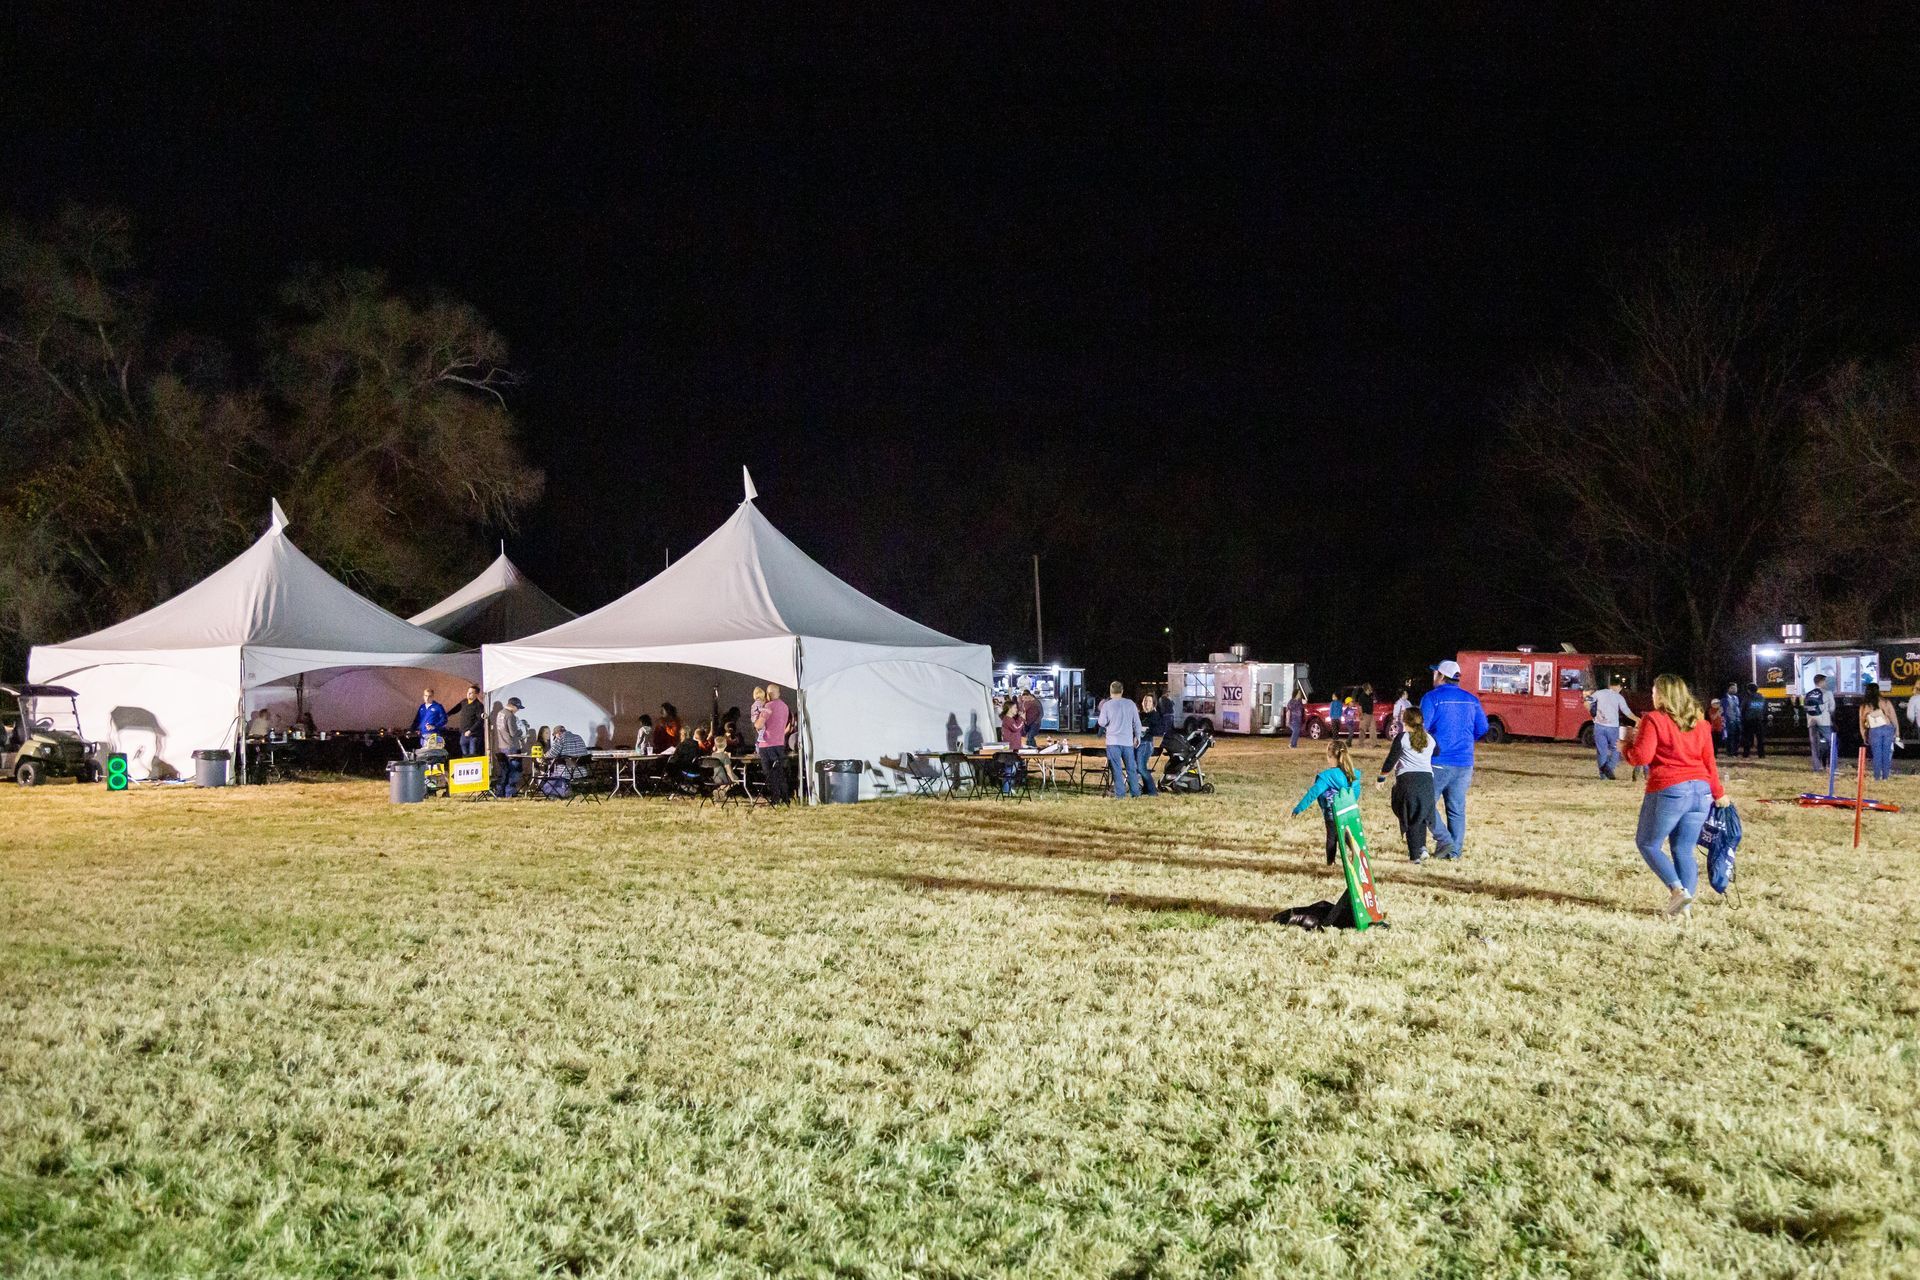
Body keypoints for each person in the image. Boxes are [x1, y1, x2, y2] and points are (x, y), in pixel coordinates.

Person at [1621, 674, 1728, 917]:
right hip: (1701, 792)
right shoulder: (1700, 723)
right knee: (1683, 849)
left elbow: (1642, 758)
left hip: (1670, 789)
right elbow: (1709, 761)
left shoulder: (1654, 719)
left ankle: (1677, 890)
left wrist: (1626, 747)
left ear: (1662, 694)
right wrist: (1718, 793)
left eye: (1653, 691)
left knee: (1648, 843)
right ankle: (1685, 910)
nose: (1651, 695)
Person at [1419, 659, 1488, 860]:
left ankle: (1444, 840)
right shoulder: (1471, 699)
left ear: (1441, 676)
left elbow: (1422, 728)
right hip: (1465, 762)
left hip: (1438, 760)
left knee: (1425, 804)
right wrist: (1466, 740)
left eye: (1435, 673)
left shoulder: (1431, 698)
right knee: (1457, 808)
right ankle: (1454, 852)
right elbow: (1482, 728)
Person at [1376, 706, 1436, 862]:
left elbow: (1391, 759)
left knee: (1408, 817)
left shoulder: (1402, 738)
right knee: (1421, 815)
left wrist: (1382, 777)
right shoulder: (1429, 739)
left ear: (1405, 721)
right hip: (1427, 782)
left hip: (1408, 782)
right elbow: (1437, 752)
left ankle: (1415, 855)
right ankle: (1421, 847)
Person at [1292, 739, 1361, 865]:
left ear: (1330, 757)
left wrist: (1298, 808)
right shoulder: (1353, 774)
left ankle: (1331, 862)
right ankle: (1356, 853)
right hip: (1349, 812)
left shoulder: (1327, 776)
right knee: (1346, 834)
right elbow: (1355, 794)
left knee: (1332, 837)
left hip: (1332, 813)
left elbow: (1313, 793)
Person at [1096, 680, 1144, 798]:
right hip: (1127, 741)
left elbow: (1101, 722)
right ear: (1122, 691)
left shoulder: (1107, 705)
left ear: (1111, 692)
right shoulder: (1130, 704)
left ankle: (1120, 794)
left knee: (1116, 769)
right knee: (1131, 768)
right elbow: (1137, 723)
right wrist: (1137, 736)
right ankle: (1135, 792)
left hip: (1113, 742)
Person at [1587, 673, 1638, 780]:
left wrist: (1592, 714)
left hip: (1599, 726)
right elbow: (1626, 712)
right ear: (1618, 687)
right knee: (1616, 749)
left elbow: (1587, 701)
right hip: (1612, 727)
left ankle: (1603, 776)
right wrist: (1637, 719)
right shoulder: (1619, 697)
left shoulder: (1599, 693)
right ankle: (1608, 768)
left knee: (1602, 751)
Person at [755, 684, 793, 804]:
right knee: (780, 772)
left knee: (769, 773)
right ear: (779, 693)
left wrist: (756, 722)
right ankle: (786, 798)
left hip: (767, 744)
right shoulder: (785, 707)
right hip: (780, 743)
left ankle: (775, 798)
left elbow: (759, 724)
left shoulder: (768, 706)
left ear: (768, 694)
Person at [1860, 681, 1896, 782]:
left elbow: (1861, 722)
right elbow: (1893, 718)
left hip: (1874, 730)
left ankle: (1876, 778)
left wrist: (1864, 735)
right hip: (1888, 729)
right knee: (1886, 754)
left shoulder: (1864, 705)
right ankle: (1885, 777)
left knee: (1877, 755)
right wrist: (1897, 733)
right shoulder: (1886, 702)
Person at [491, 697, 526, 796]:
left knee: (505, 771)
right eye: (517, 708)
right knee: (515, 771)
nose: (518, 710)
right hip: (511, 746)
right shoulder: (510, 716)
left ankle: (500, 792)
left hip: (502, 746)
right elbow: (513, 732)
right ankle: (509, 792)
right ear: (513, 706)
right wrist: (521, 732)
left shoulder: (500, 713)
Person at [1804, 674, 1835, 771]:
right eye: (1825, 681)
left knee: (1814, 745)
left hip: (1811, 722)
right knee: (1832, 742)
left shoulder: (1808, 694)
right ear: (1821, 682)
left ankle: (1816, 767)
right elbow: (1832, 708)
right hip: (1824, 721)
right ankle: (1830, 766)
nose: (1826, 683)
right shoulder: (1828, 693)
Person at [445, 685, 486, 758]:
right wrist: (448, 714)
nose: (468, 694)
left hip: (473, 735)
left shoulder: (479, 705)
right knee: (464, 753)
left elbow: (480, 720)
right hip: (463, 733)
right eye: (468, 692)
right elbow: (456, 708)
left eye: (471, 693)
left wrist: (471, 730)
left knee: (472, 753)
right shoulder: (464, 702)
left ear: (476, 694)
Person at [1136, 692, 1163, 797]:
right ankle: (1147, 788)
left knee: (1141, 767)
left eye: (1149, 701)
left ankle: (1152, 791)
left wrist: (1147, 730)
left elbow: (1159, 730)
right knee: (1141, 767)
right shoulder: (1140, 715)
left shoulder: (1155, 715)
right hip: (1137, 743)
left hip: (1146, 743)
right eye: (1145, 700)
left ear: (1153, 704)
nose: (1147, 703)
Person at [1740, 682, 1768, 758]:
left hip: (1748, 721)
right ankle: (1761, 754)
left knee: (1748, 738)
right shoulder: (1762, 698)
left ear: (1749, 690)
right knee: (1760, 738)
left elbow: (1742, 709)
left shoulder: (1747, 698)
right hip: (1759, 721)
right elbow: (1765, 709)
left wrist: (1743, 719)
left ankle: (1746, 754)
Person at [1720, 680, 1743, 754]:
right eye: (1732, 688)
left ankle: (1735, 751)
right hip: (1729, 720)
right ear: (1728, 689)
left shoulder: (1736, 698)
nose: (1735, 689)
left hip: (1737, 720)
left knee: (1737, 736)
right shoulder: (1724, 699)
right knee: (1730, 736)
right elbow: (1722, 711)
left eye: (1735, 688)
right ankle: (1730, 751)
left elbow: (1737, 708)